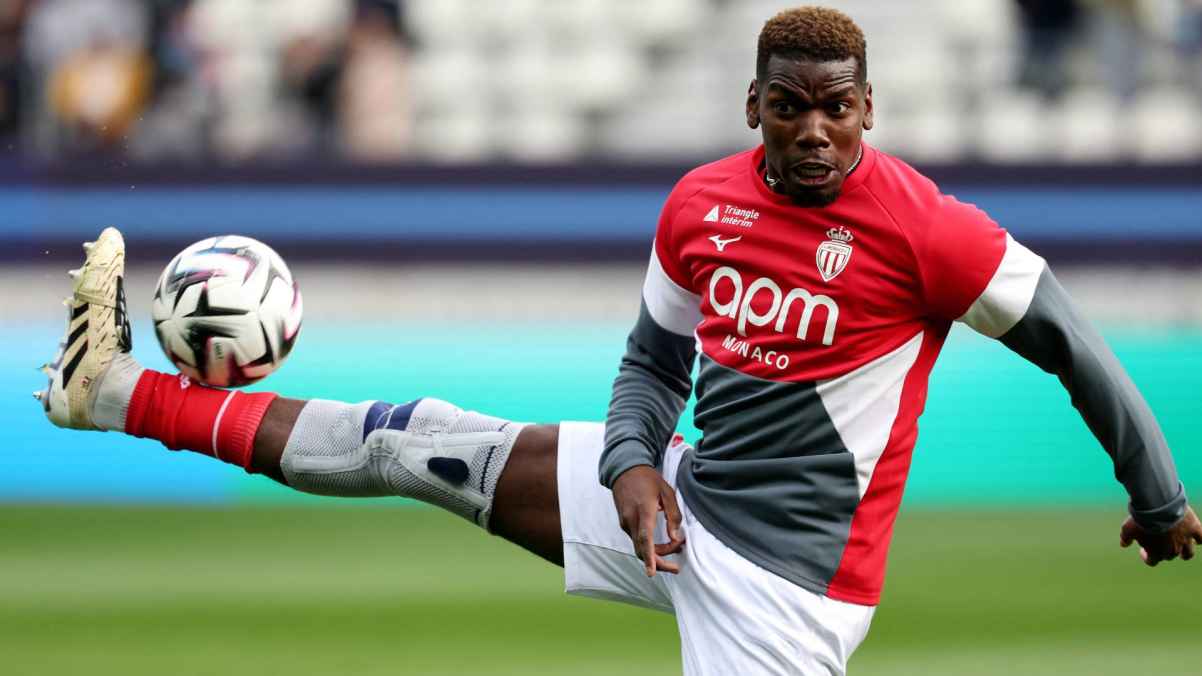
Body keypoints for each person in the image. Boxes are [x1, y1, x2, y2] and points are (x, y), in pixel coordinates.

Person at [36, 7, 1201, 676]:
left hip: (788, 591)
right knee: (410, 439)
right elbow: (651, 364)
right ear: (752, 106)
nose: (811, 130)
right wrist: (632, 465)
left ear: (867, 109)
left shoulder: (926, 231)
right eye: (788, 105)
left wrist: (1155, 496)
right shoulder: (700, 205)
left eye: (834, 107)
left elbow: (1071, 342)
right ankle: (115, 393)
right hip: (680, 504)